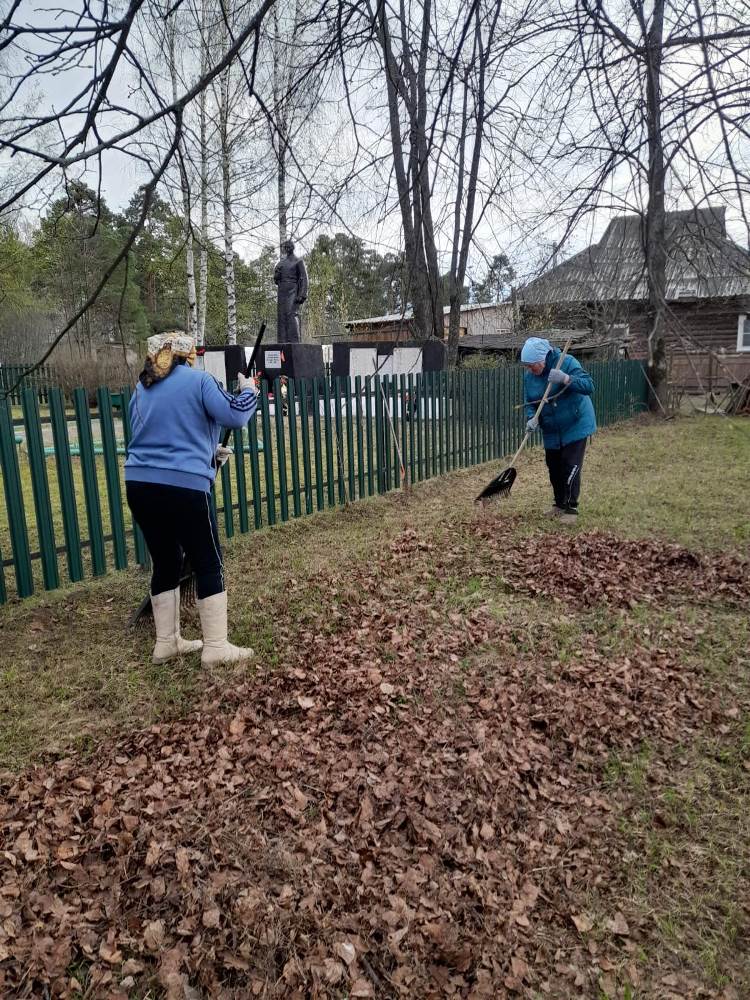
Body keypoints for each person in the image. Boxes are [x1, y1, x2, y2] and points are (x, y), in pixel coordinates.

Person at [125, 331, 258, 666]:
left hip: (140, 485)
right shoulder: (200, 381)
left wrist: (208, 451)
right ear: (188, 356)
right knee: (207, 560)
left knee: (166, 561)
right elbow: (236, 415)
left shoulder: (142, 389)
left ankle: (166, 643)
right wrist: (249, 390)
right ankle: (215, 647)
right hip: (184, 488)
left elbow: (156, 436)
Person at [521, 336, 596, 524]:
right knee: (553, 465)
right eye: (527, 366)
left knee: (570, 464)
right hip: (552, 427)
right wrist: (532, 418)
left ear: (543, 358)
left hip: (575, 421)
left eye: (532, 365)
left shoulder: (567, 362)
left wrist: (566, 378)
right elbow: (530, 401)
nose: (530, 370)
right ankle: (559, 504)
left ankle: (571, 508)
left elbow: (589, 386)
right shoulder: (530, 376)